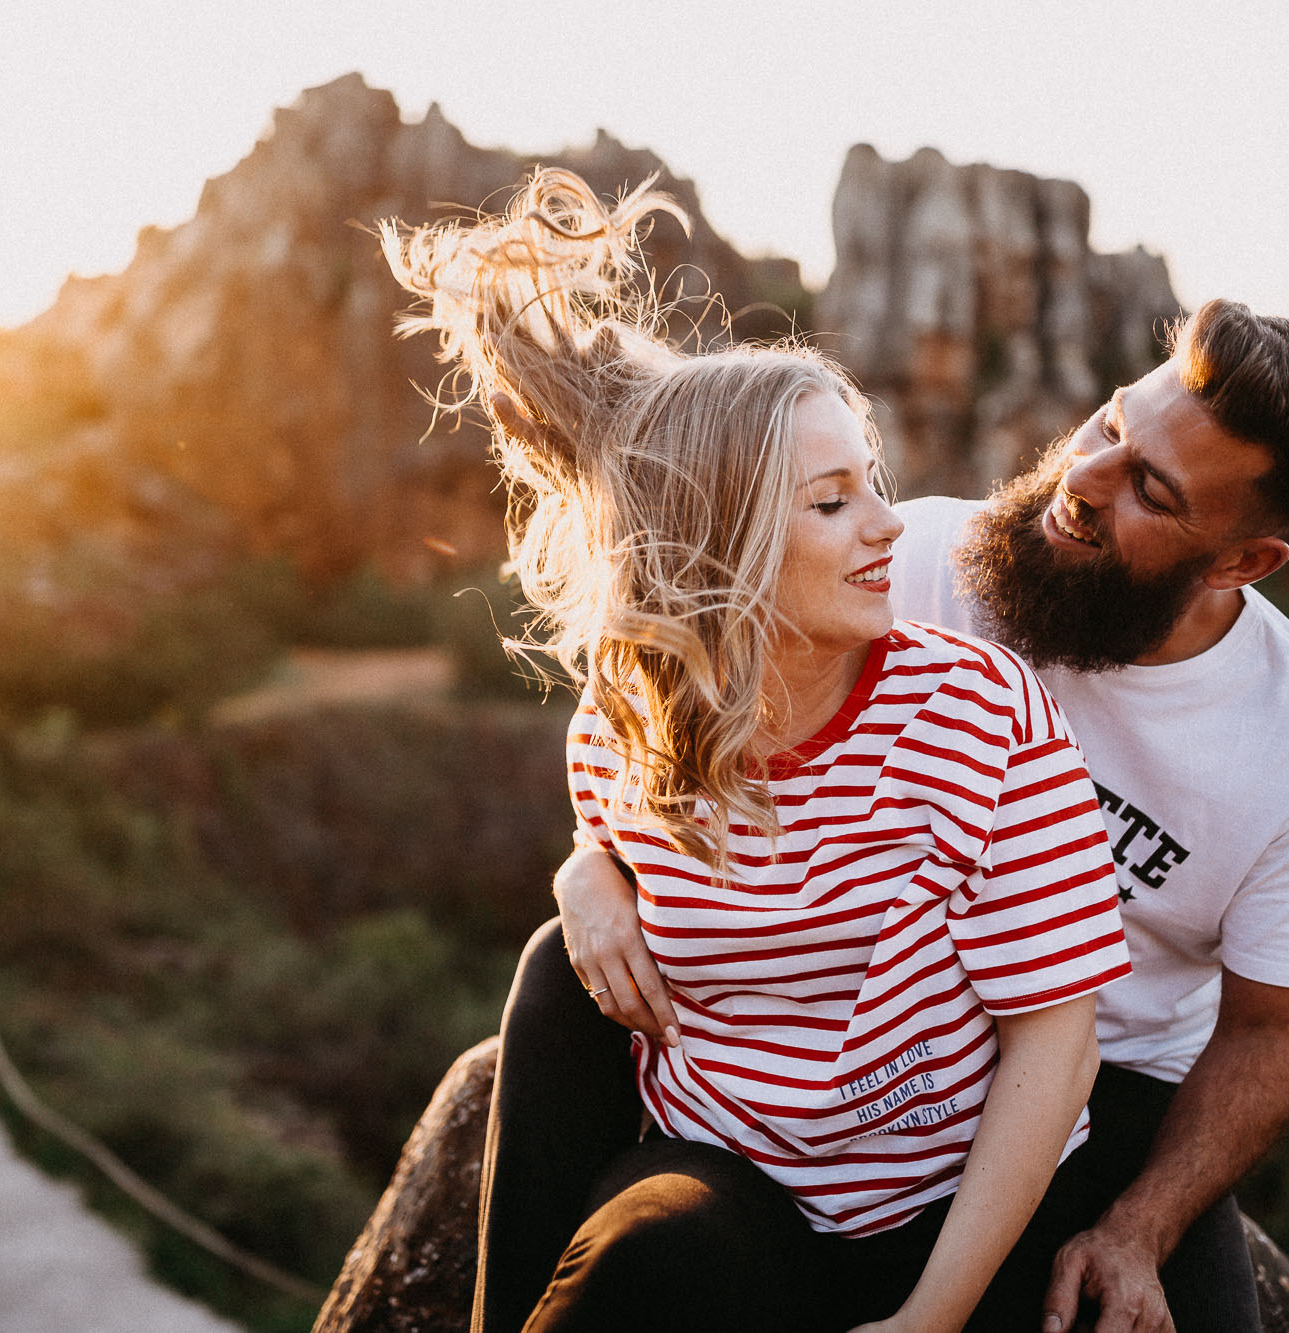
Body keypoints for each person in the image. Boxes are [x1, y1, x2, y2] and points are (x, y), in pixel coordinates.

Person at [551, 297, 1289, 1332]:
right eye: (1110, 424)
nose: (1082, 481)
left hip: (1111, 1082)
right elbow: (679, 683)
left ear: (1236, 562)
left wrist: (1140, 1226)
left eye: (1149, 489)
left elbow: (1273, 1031)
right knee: (557, 974)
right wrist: (590, 867)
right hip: (879, 1022)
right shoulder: (910, 561)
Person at [385, 169, 1132, 1333]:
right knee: (631, 1263)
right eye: (832, 503)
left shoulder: (975, 715)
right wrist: (585, 875)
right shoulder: (625, 726)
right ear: (720, 549)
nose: (890, 523)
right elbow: (613, 835)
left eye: (872, 484)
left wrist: (929, 1317)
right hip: (734, 1189)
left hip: (943, 1203)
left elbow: (1057, 1034)